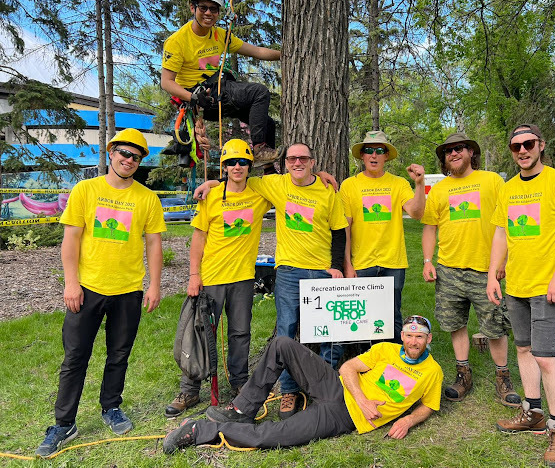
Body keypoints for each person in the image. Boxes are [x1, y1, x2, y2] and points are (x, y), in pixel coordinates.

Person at [36, 129, 166, 457]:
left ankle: (111, 407)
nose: (128, 160)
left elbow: (153, 243)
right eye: (123, 152)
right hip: (88, 289)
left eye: (136, 157)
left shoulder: (147, 198)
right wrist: (71, 283)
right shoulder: (86, 190)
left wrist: (153, 284)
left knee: (118, 355)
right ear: (111, 152)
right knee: (75, 358)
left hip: (128, 291)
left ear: (140, 162)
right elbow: (71, 239)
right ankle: (64, 424)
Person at [194, 142, 347, 420]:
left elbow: (338, 231)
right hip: (288, 271)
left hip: (322, 271)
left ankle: (326, 391)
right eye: (292, 159)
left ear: (313, 161)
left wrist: (337, 266)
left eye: (303, 158)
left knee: (328, 334)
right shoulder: (275, 184)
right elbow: (238, 176)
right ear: (284, 163)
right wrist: (213, 182)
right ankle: (288, 391)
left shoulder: (327, 190)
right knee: (285, 332)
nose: (297, 163)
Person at [162, 315, 443, 452]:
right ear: (403, 336)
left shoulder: (433, 372)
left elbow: (428, 406)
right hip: (338, 388)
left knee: (274, 436)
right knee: (283, 344)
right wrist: (363, 399)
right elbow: (347, 368)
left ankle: (200, 431)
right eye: (408, 335)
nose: (412, 342)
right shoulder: (387, 349)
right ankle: (241, 410)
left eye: (419, 337)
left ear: (428, 339)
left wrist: (407, 421)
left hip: (346, 417)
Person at [486, 124, 555, 468]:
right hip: (516, 284)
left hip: (548, 286)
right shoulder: (508, 188)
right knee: (523, 349)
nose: (523, 151)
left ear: (541, 145)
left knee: (545, 357)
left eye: (528, 144)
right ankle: (533, 412)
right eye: (516, 147)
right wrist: (492, 272)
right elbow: (501, 232)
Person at [165, 139, 272, 417]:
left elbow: (293, 184)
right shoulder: (211, 197)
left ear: (251, 166)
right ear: (223, 166)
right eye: (231, 162)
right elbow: (198, 238)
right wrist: (193, 275)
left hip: (243, 278)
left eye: (243, 162)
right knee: (202, 333)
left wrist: (319, 174)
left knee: (240, 333)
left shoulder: (261, 194)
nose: (238, 167)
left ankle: (239, 383)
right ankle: (189, 389)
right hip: (211, 277)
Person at [422, 133, 521, 408]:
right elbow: (430, 227)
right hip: (449, 269)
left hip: (486, 270)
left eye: (459, 149)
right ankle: (463, 375)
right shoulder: (440, 190)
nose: (453, 154)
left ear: (470, 152)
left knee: (495, 326)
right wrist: (428, 260)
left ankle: (503, 377)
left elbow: (508, 222)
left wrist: (502, 262)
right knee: (455, 324)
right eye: (448, 151)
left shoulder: (492, 181)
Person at [161, 0, 281, 165]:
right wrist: (192, 97)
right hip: (201, 95)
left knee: (267, 124)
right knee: (259, 92)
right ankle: (258, 149)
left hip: (218, 90)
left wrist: (287, 55)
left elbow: (256, 51)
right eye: (203, 8)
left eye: (213, 9)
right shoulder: (177, 41)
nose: (208, 13)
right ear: (192, 8)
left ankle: (268, 171)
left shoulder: (220, 35)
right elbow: (167, 82)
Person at [341, 130, 425, 342]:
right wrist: (348, 264)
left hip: (393, 262)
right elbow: (345, 228)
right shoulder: (350, 185)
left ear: (386, 155)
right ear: (362, 156)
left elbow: (416, 213)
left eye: (379, 151)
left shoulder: (398, 184)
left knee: (392, 317)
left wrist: (419, 184)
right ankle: (368, 363)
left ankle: (394, 361)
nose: (374, 155)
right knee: (362, 318)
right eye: (369, 150)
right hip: (362, 262)